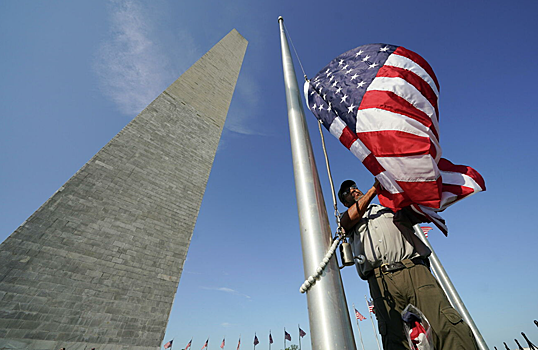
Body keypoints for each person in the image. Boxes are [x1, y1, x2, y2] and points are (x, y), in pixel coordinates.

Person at [338, 179, 478, 350]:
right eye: (348, 192)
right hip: (380, 281)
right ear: (344, 202)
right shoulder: (347, 220)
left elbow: (418, 209)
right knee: (394, 337)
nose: (353, 190)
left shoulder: (387, 206)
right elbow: (347, 221)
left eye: (354, 187)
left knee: (445, 324)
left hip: (414, 269)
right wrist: (374, 188)